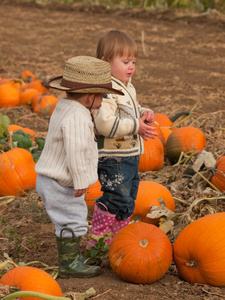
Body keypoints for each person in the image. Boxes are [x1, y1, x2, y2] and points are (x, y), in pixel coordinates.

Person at [35, 56, 124, 278]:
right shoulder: (77, 116)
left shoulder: (66, 106)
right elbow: (75, 151)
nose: (103, 101)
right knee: (72, 218)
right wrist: (82, 181)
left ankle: (71, 258)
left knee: (70, 216)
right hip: (59, 181)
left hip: (52, 178)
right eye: (102, 96)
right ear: (91, 97)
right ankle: (68, 265)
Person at [87, 30, 157, 249]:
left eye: (134, 61)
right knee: (115, 197)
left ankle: (118, 239)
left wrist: (144, 111)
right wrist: (137, 126)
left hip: (129, 155)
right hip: (113, 157)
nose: (132, 66)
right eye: (126, 61)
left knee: (128, 198)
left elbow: (128, 110)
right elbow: (105, 124)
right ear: (105, 63)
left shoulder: (126, 86)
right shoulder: (106, 90)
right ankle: (98, 239)